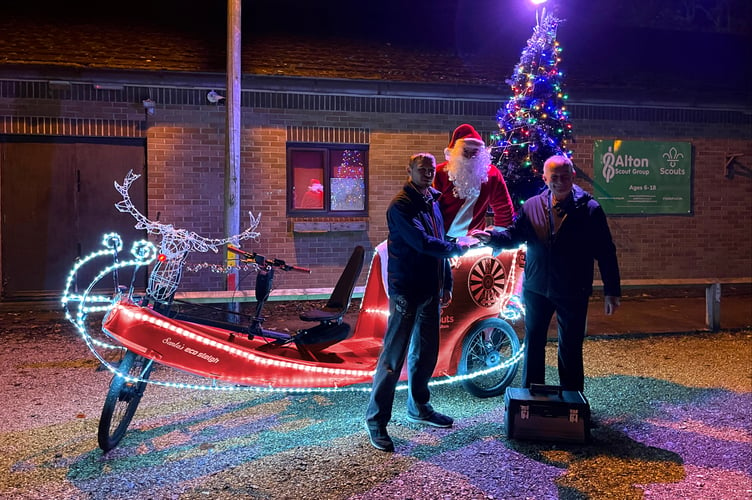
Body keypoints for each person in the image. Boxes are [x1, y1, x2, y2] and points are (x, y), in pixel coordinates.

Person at [474, 155, 621, 393]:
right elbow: (514, 235)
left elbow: (605, 251)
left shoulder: (590, 209)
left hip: (573, 289)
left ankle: (572, 404)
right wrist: (493, 237)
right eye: (554, 177)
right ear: (545, 178)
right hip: (536, 288)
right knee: (533, 344)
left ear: (573, 176)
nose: (560, 181)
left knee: (571, 346)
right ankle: (530, 402)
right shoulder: (531, 206)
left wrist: (611, 290)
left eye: (565, 176)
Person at [366, 152, 479, 452]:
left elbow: (437, 238)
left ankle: (419, 406)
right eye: (422, 169)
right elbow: (422, 243)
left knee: (426, 352)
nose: (428, 173)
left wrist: (447, 281)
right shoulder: (401, 206)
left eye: (431, 169)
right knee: (394, 356)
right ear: (410, 171)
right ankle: (376, 420)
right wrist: (458, 248)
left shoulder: (432, 200)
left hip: (430, 288)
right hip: (407, 290)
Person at [433, 124, 515, 238]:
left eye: (474, 152)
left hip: (474, 240)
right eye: (465, 151)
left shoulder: (491, 174)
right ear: (456, 152)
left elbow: (503, 206)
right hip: (443, 238)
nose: (470, 156)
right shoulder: (440, 172)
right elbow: (431, 208)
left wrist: (500, 237)